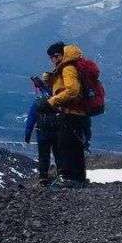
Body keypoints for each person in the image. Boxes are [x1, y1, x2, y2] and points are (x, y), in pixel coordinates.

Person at [41, 41, 91, 186]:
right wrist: (50, 80)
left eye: (54, 57)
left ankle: (70, 179)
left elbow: (72, 90)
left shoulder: (68, 68)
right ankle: (78, 178)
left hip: (72, 113)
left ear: (59, 55)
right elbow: (61, 87)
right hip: (76, 113)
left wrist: (52, 102)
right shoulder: (67, 67)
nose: (52, 60)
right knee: (74, 146)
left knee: (66, 145)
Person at [24, 72, 59, 185]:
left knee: (43, 155)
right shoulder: (58, 98)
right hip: (57, 132)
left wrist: (27, 134)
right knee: (58, 153)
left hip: (42, 133)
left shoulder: (38, 101)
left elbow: (31, 118)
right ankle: (62, 174)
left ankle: (43, 177)